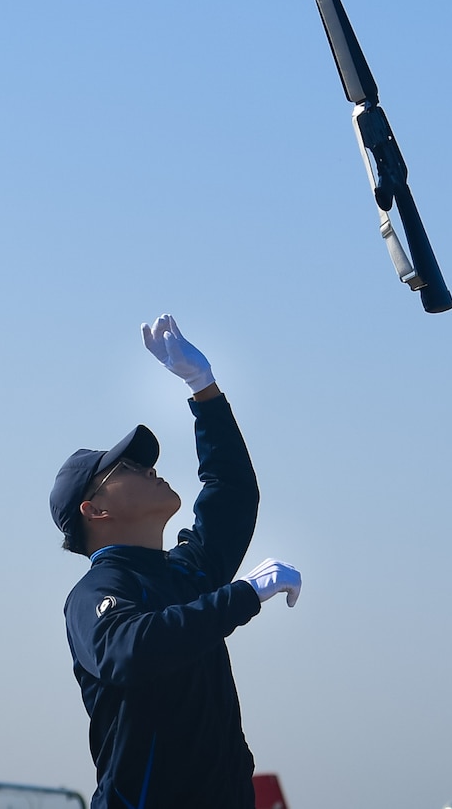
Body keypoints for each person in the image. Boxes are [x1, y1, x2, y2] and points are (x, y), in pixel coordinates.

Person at [50, 315, 303, 809]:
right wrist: (244, 594)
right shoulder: (95, 594)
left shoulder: (184, 574)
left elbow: (230, 494)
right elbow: (129, 651)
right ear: (95, 511)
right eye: (128, 468)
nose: (150, 468)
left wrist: (203, 389)